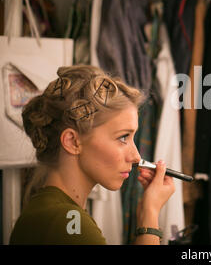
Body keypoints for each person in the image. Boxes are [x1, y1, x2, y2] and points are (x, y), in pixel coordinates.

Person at [9, 65, 175, 245]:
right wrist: (150, 214)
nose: (135, 157)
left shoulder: (50, 212)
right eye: (122, 137)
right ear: (72, 142)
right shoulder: (67, 222)